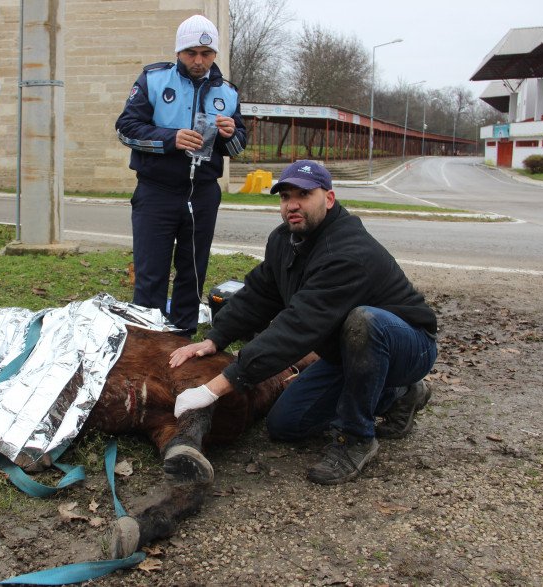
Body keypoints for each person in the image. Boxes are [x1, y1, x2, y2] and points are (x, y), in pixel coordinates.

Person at [168, 160, 438, 485]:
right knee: (286, 425)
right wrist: (215, 338)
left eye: (303, 194)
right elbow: (259, 293)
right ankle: (399, 396)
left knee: (364, 321)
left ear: (329, 198)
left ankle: (357, 439)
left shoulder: (348, 252)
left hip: (407, 346)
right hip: (346, 353)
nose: (292, 204)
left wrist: (214, 388)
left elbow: (297, 326)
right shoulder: (285, 240)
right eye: (285, 196)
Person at [115, 14, 246, 336]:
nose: (199, 61)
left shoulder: (227, 93)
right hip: (156, 191)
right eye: (191, 53)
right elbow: (125, 129)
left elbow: (239, 146)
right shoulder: (153, 80)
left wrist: (231, 134)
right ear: (178, 52)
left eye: (206, 53)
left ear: (214, 54)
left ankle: (183, 335)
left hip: (202, 194)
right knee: (151, 272)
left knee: (193, 271)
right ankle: (148, 338)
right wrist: (169, 139)